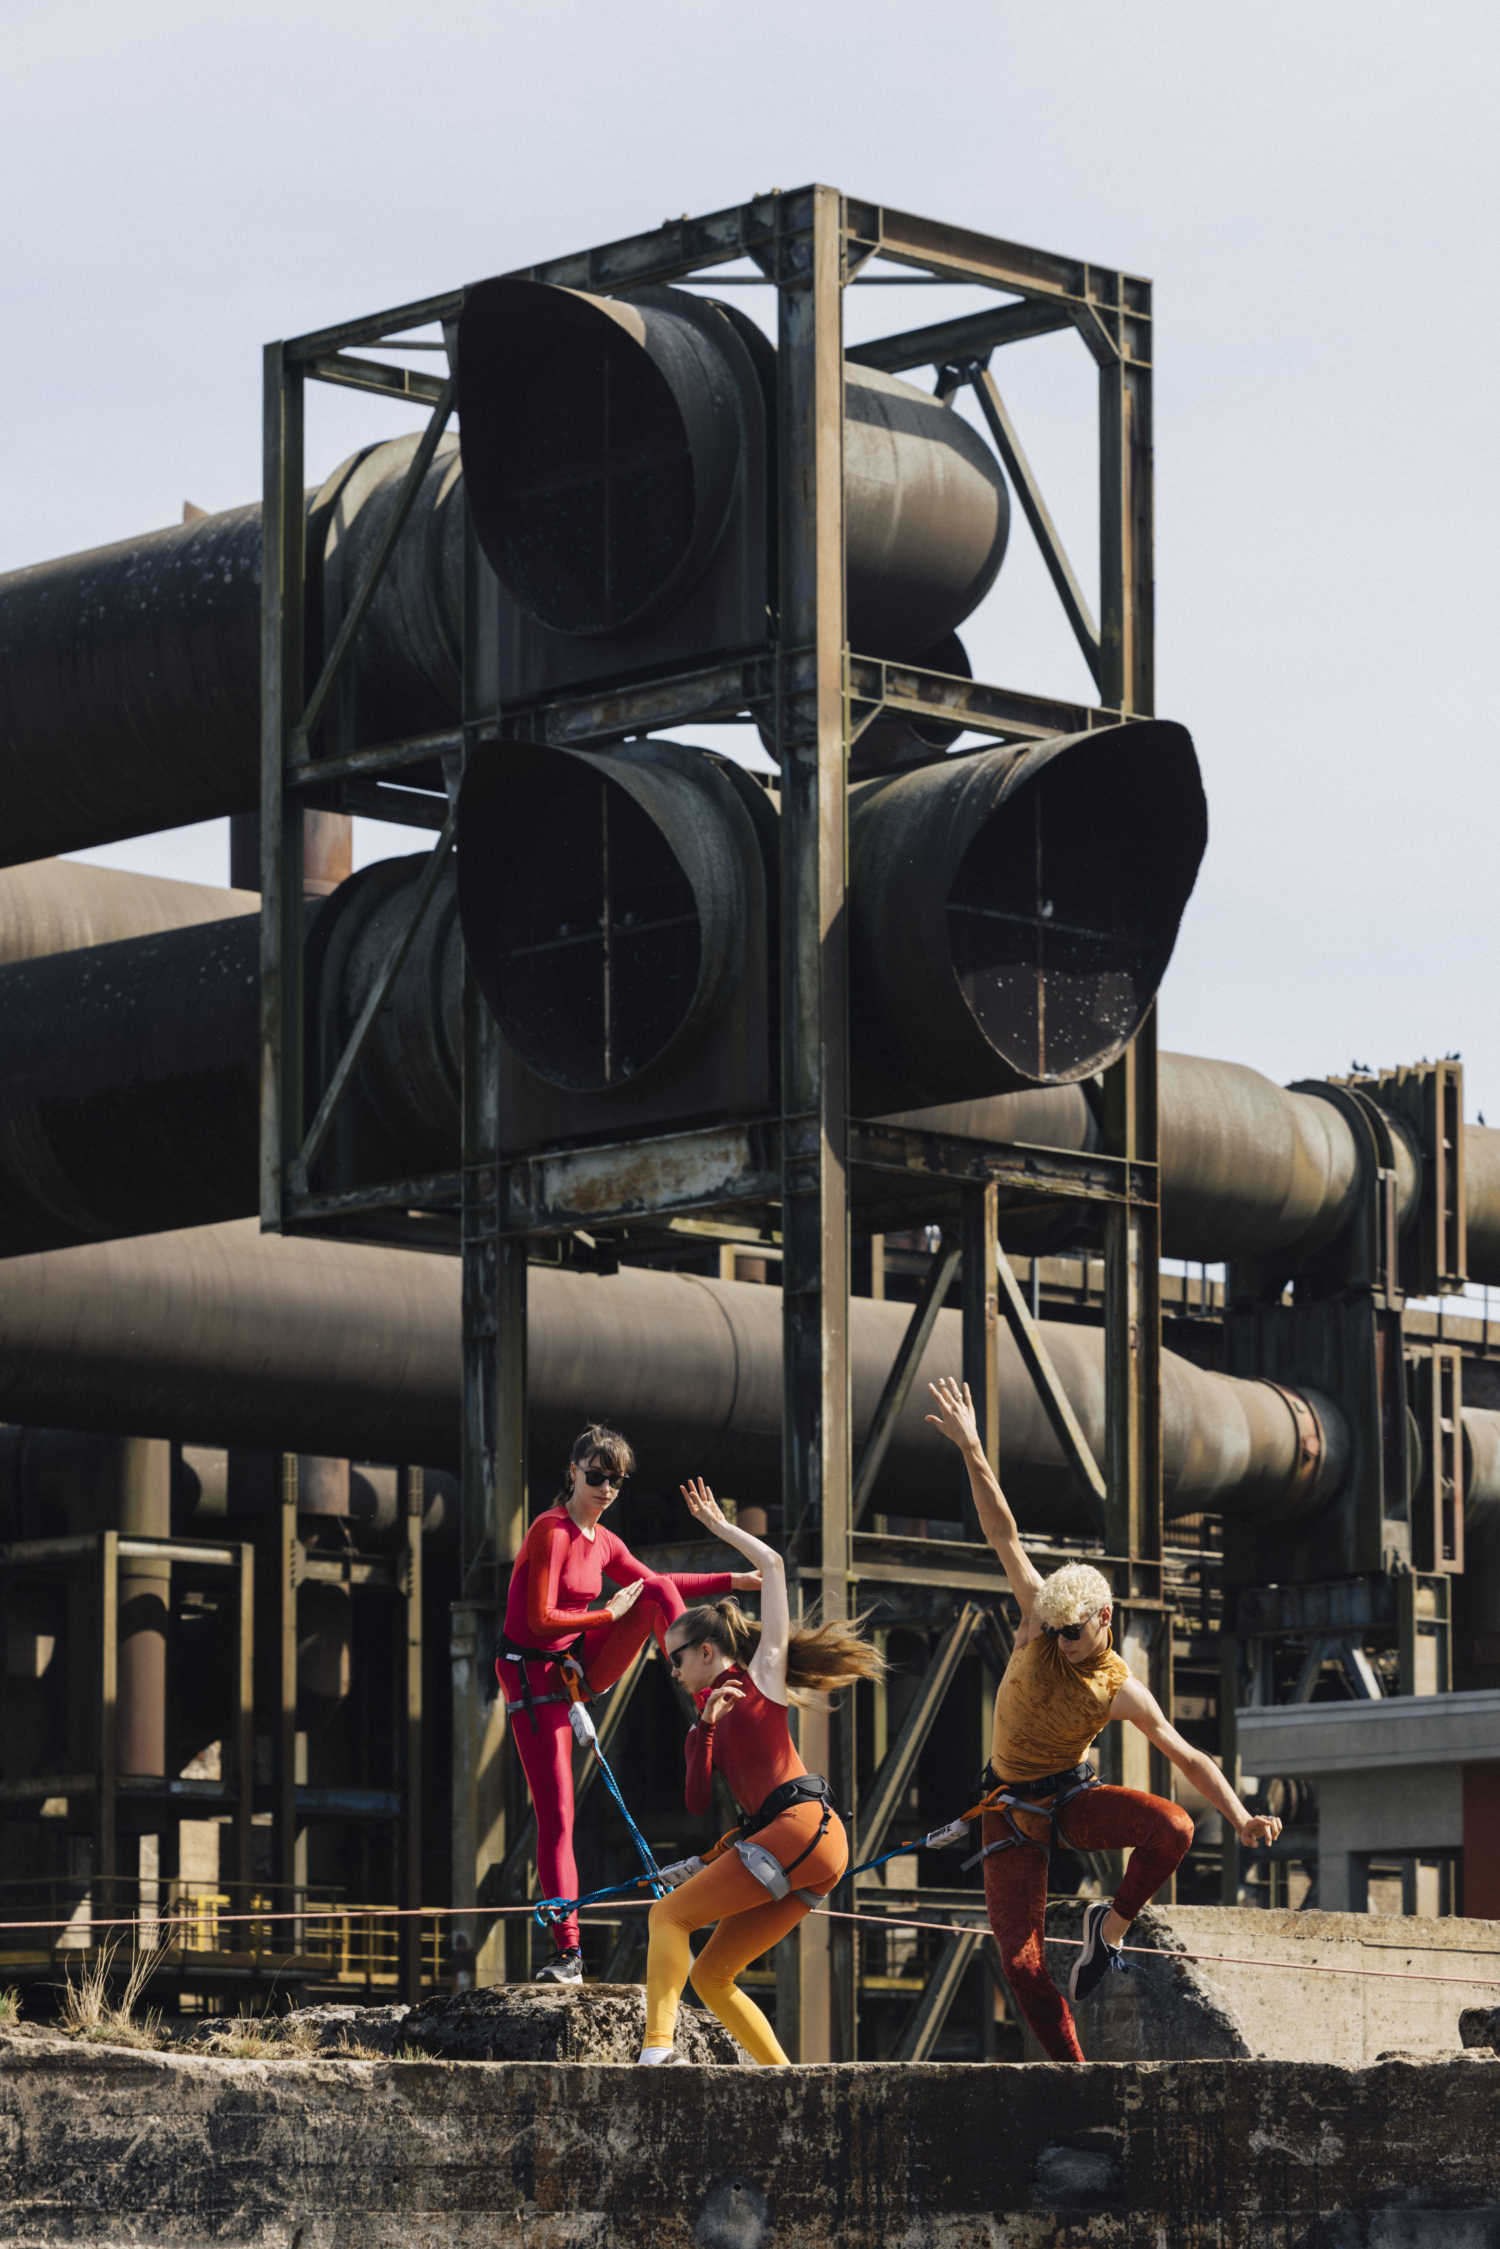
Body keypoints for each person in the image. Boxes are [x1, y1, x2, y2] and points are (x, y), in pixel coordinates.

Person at [925, 1373, 1282, 2063]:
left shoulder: (1118, 1687)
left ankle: (1108, 1930)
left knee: (1173, 1827)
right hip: (1006, 1809)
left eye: (1071, 1632)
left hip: (1070, 1798)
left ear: (1104, 1619)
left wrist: (1240, 1817)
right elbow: (1001, 1527)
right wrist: (972, 1447)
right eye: (1052, 1629)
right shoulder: (1037, 1614)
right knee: (1024, 1964)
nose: (1058, 1640)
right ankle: (1077, 2077)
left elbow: (1187, 1756)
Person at [499, 1424, 762, 1983]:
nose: (605, 1489)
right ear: (572, 1472)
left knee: (659, 1589)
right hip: (532, 1677)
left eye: (615, 1481)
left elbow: (655, 1586)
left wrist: (734, 1577)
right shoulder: (550, 1530)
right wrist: (607, 1615)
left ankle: (709, 1697)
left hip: (576, 1666)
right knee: (559, 1816)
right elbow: (540, 1619)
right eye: (595, 1477)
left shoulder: (606, 1541)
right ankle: (566, 1952)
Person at [638, 1478, 884, 2066]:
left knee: (667, 1915)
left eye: (675, 1658)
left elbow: (772, 1564)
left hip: (804, 1827)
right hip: (804, 1847)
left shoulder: (762, 1678)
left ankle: (656, 2050)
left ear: (705, 1651)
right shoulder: (708, 1716)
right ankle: (784, 2081)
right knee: (714, 1975)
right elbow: (698, 1801)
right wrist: (706, 1731)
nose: (671, 1670)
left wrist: (721, 1529)